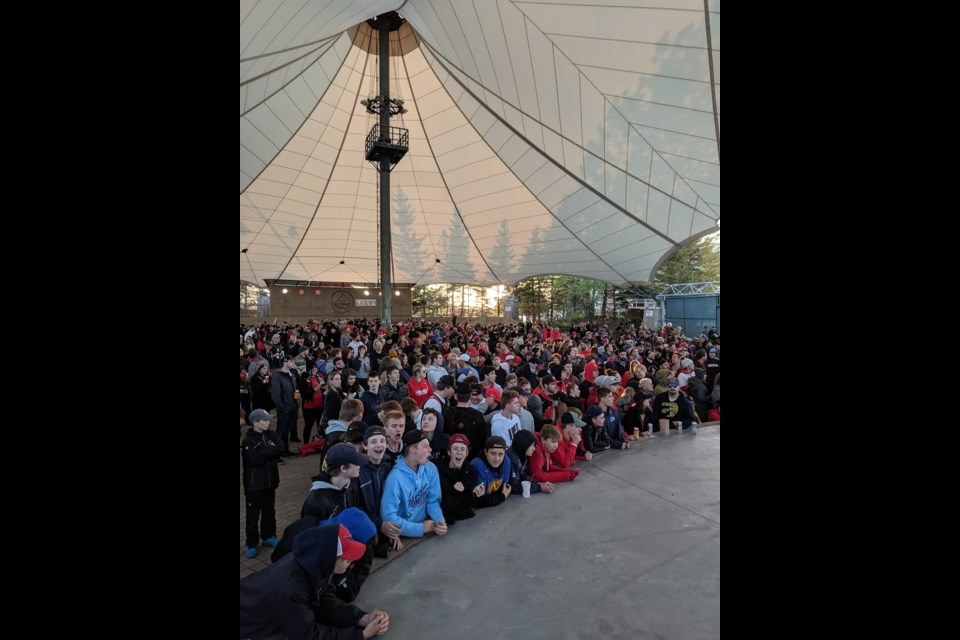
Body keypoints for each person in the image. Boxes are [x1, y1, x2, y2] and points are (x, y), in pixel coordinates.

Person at [240, 523, 390, 639]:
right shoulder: (292, 587)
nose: (350, 561)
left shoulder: (316, 565)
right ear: (329, 558)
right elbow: (308, 635)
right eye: (345, 557)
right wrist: (360, 636)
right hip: (248, 628)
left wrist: (362, 618)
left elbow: (328, 604)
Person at [380, 430, 448, 549]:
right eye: (426, 446)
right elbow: (388, 516)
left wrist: (439, 520)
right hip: (405, 536)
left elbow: (433, 502)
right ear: (413, 450)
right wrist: (419, 528)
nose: (430, 450)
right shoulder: (395, 478)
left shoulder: (431, 469)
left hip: (426, 531)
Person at [241, 408, 284, 558]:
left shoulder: (271, 434)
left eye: (268, 419)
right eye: (264, 420)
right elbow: (253, 460)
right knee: (252, 516)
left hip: (270, 482)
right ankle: (251, 543)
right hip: (254, 485)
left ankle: (268, 536)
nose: (268, 422)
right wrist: (270, 451)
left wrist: (263, 451)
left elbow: (281, 448)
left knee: (269, 512)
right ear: (255, 423)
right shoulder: (247, 440)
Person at [301, 443, 367, 520]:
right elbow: (312, 530)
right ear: (343, 468)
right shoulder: (316, 502)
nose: (360, 465)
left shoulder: (351, 484)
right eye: (356, 462)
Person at [470, 435, 520, 508]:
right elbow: (480, 500)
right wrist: (502, 496)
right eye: (493, 453)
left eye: (500, 454)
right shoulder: (478, 465)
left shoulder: (506, 460)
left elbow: (505, 487)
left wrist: (500, 495)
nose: (497, 458)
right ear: (486, 452)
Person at [438, 433, 477, 524]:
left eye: (462, 449)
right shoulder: (439, 471)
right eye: (455, 449)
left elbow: (470, 503)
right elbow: (442, 505)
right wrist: (455, 492)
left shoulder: (470, 471)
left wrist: (475, 492)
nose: (459, 452)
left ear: (467, 453)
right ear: (449, 452)